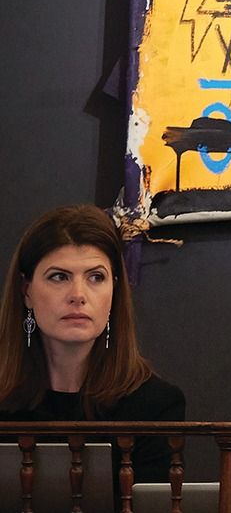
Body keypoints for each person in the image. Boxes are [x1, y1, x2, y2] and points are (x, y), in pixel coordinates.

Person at [0, 204, 186, 483]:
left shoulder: (155, 406)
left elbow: (155, 510)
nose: (78, 295)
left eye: (96, 277)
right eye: (59, 277)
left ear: (114, 291)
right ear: (26, 291)